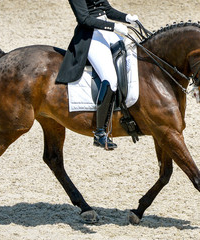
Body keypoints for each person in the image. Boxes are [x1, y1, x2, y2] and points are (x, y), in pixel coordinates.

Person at [55, 0, 139, 150]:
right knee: (111, 79)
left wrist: (127, 18)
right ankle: (100, 132)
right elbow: (84, 19)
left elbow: (106, 9)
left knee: (133, 54)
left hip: (106, 31)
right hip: (90, 35)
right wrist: (113, 26)